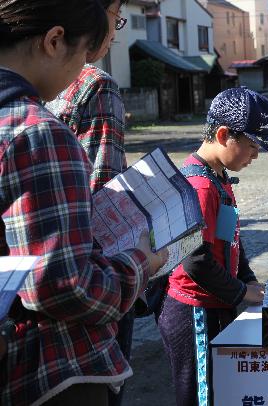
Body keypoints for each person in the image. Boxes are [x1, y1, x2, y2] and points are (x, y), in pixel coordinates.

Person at [0, 1, 167, 405]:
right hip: (48, 370)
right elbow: (64, 287)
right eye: (84, 54)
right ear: (55, 41)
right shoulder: (36, 133)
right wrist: (141, 262)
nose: (84, 69)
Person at [157, 87, 268, 406]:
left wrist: (246, 279)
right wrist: (240, 292)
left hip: (217, 300)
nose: (256, 154)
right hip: (195, 311)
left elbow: (231, 238)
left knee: (220, 392)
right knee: (201, 396)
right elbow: (194, 260)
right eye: (253, 144)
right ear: (222, 134)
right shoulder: (200, 187)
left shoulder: (218, 178)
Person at [45, 2, 133, 405]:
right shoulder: (93, 83)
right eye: (115, 18)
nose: (114, 31)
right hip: (87, 292)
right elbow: (102, 196)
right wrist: (137, 268)